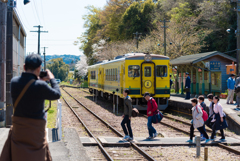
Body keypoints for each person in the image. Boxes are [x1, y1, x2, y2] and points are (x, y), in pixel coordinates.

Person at [0, 54, 61, 161]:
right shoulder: (40, 86)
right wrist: (52, 79)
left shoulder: (14, 82)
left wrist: (37, 79)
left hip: (19, 132)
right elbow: (56, 94)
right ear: (39, 68)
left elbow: (29, 87)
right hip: (36, 134)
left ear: (24, 67)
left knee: (18, 156)